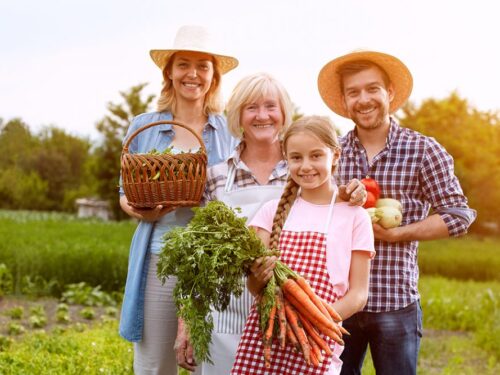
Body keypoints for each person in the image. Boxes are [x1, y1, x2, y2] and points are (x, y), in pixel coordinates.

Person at [174, 74, 368, 374]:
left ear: (283, 113)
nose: (262, 115)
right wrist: (186, 324)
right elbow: (198, 263)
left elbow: (330, 202)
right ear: (238, 114)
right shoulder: (215, 176)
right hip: (227, 319)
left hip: (291, 320)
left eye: (270, 106)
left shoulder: (301, 167)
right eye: (251, 107)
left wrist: (312, 317)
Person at [317, 50, 477, 374]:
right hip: (339, 302)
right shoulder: (331, 153)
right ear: (345, 101)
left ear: (389, 93)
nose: (364, 99)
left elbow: (459, 215)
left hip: (396, 302)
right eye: (353, 92)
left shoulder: (423, 150)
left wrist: (398, 234)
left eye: (372, 88)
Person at [118, 25, 239, 374]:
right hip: (160, 257)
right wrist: (146, 213)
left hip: (212, 263)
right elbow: (126, 195)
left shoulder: (229, 131)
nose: (193, 74)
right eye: (183, 64)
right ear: (169, 72)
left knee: (208, 358)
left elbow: (238, 193)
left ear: (213, 77)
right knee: (156, 361)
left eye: (203, 66)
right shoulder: (144, 127)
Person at [231, 115, 376, 374]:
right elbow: (255, 287)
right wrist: (258, 277)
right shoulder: (270, 212)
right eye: (296, 157)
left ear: (335, 155)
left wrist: (314, 322)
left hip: (318, 339)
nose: (306, 165)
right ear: (286, 159)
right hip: (266, 337)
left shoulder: (355, 217)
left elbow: (358, 294)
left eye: (316, 155)